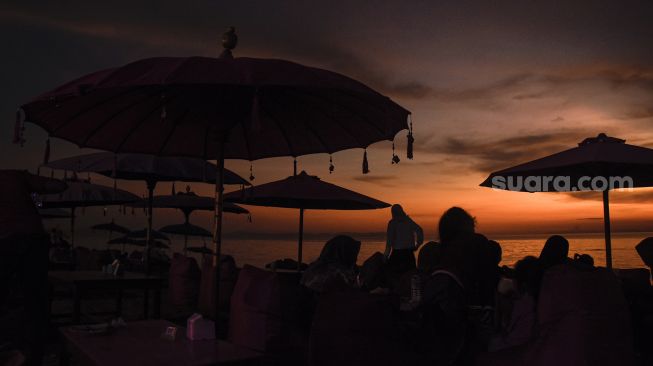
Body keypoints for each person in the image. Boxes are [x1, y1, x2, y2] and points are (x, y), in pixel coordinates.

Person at [0, 170, 67, 366]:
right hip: (33, 239)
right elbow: (59, 186)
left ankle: (21, 348)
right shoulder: (15, 175)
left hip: (6, 240)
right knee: (35, 297)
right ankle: (32, 352)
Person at [385, 204, 424, 274]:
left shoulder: (392, 223)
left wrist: (385, 257)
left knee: (390, 276)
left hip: (397, 255)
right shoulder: (408, 221)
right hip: (409, 255)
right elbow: (420, 230)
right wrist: (417, 245)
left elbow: (389, 243)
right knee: (411, 276)